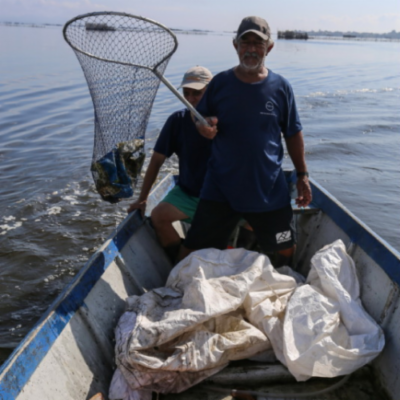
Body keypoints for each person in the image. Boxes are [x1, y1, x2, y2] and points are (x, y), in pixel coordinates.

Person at [179, 16, 312, 266]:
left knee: (285, 247)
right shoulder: (219, 83)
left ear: (269, 48)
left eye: (258, 43)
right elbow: (200, 120)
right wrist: (203, 128)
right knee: (191, 251)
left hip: (268, 190)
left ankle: (283, 280)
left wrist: (302, 175)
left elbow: (293, 132)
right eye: (245, 42)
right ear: (235, 45)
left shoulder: (281, 87)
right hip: (221, 188)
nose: (251, 49)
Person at [127, 66, 213, 262]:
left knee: (254, 222)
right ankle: (180, 262)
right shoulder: (177, 121)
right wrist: (142, 199)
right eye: (186, 93)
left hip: (220, 197)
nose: (190, 99)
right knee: (158, 217)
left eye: (197, 93)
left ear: (210, 92)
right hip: (188, 193)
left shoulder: (223, 121)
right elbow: (156, 160)